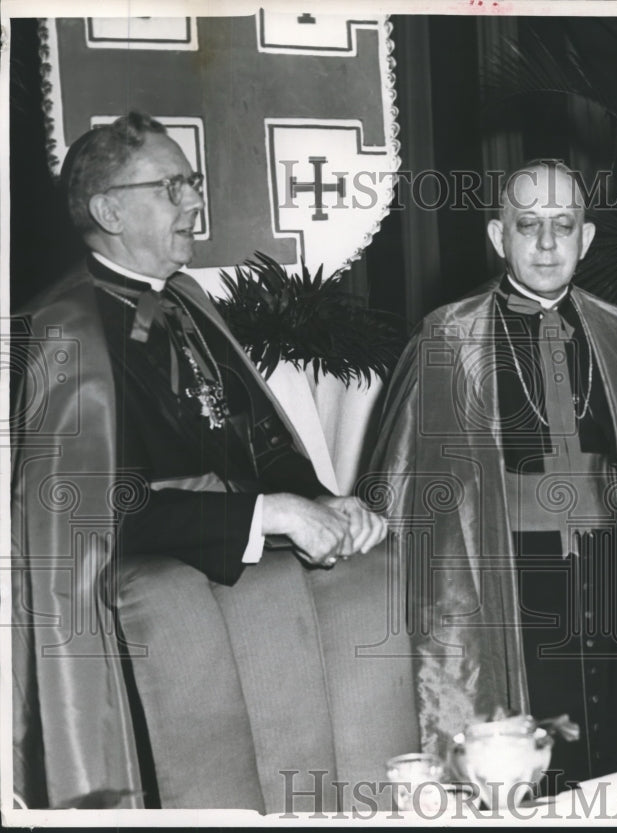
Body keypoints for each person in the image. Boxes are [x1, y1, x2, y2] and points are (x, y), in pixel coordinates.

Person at [11, 112, 391, 807]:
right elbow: (93, 511)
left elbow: (260, 440)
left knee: (379, 573)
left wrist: (322, 499)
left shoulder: (185, 301)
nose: (194, 201)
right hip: (139, 587)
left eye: (193, 181)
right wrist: (268, 513)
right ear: (108, 209)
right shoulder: (55, 334)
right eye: (172, 186)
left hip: (232, 555)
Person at [368, 160, 617, 791]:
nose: (546, 242)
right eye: (527, 224)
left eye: (564, 224)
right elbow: (411, 502)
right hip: (509, 589)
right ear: (497, 236)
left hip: (614, 584)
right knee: (525, 772)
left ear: (586, 238)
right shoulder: (450, 338)